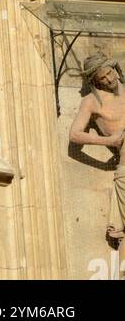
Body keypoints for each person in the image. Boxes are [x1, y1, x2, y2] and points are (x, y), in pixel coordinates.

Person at [69, 53, 125, 244]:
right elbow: (74, 135)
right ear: (95, 82)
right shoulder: (91, 101)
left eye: (110, 73)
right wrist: (109, 141)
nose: (109, 80)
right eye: (102, 78)